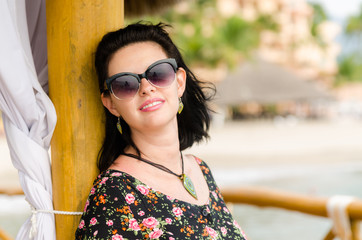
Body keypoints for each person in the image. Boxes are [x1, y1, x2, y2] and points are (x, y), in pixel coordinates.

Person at [75, 22, 247, 240]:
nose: (146, 87)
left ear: (179, 82)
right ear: (111, 104)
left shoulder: (200, 169)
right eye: (126, 84)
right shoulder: (113, 195)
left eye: (158, 73)